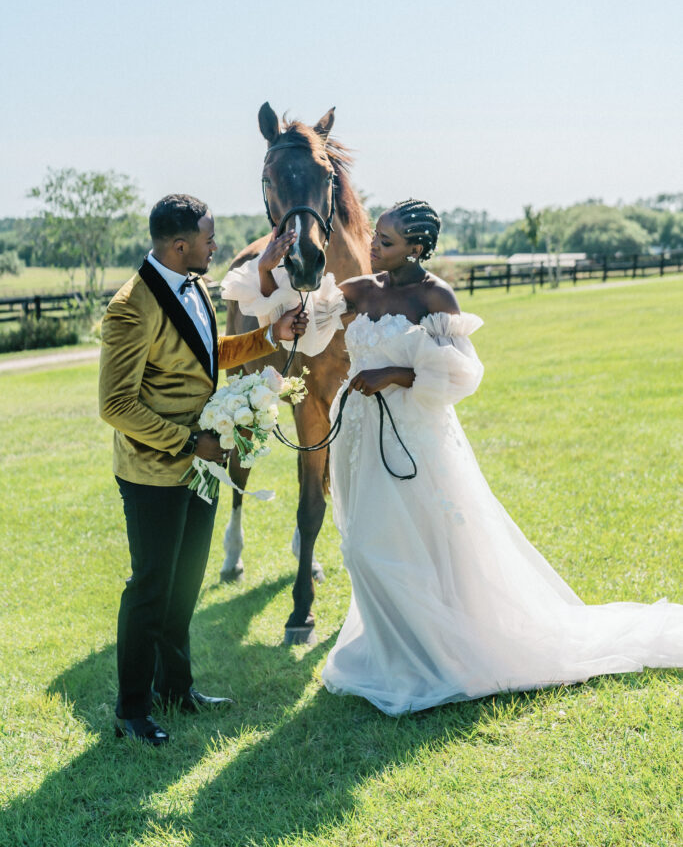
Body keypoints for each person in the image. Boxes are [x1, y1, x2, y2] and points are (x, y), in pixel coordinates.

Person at [221, 197, 683, 716]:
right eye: (375, 237)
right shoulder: (356, 291)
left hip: (417, 437)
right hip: (359, 440)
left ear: (416, 248)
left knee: (422, 544)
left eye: (387, 242)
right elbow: (299, 322)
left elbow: (461, 375)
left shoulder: (434, 296)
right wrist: (265, 273)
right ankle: (392, 651)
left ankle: (437, 654)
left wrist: (393, 374)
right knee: (364, 546)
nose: (373, 247)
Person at [99, 193, 308, 744]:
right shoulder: (129, 308)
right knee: (150, 587)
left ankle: (176, 689)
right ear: (179, 245)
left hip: (200, 467)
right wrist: (192, 443)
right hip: (153, 473)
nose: (217, 246)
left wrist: (270, 336)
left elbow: (205, 353)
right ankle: (131, 709)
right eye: (209, 239)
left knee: (186, 583)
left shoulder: (195, 287)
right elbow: (115, 406)